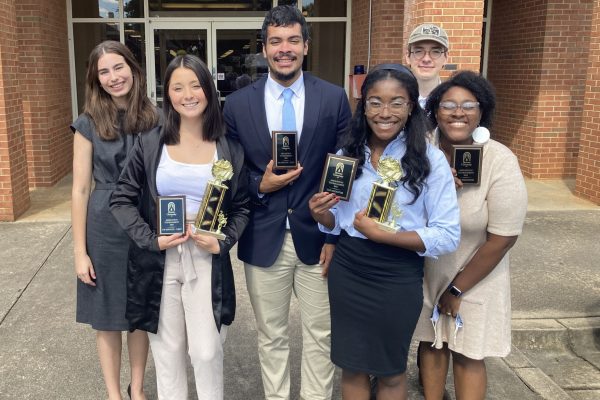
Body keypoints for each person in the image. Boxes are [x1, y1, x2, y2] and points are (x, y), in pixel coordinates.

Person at [308, 63, 460, 400]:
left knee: (391, 371)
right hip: (349, 269)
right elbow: (339, 219)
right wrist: (321, 215)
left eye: (396, 102)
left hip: (397, 273)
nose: (385, 112)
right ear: (363, 107)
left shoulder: (430, 161)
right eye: (375, 102)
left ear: (410, 108)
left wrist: (384, 236)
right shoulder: (348, 155)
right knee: (352, 366)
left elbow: (448, 235)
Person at [223, 5, 351, 400]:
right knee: (271, 334)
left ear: (305, 46)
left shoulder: (333, 99)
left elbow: (346, 167)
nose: (284, 49)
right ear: (264, 48)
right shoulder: (237, 105)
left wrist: (334, 231)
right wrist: (259, 184)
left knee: (321, 334)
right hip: (264, 236)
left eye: (293, 40)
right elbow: (228, 171)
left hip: (318, 237)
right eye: (275, 41)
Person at [110, 54, 250, 400]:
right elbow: (121, 199)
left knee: (206, 351)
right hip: (162, 257)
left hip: (205, 253)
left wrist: (224, 241)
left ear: (209, 90)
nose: (188, 94)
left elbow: (243, 206)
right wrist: (150, 239)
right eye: (178, 87)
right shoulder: (151, 143)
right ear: (167, 95)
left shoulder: (228, 148)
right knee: (168, 352)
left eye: (196, 85)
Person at [413, 71, 528, 400]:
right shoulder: (422, 152)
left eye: (468, 105)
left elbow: (504, 237)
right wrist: (431, 183)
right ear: (435, 111)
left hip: (477, 274)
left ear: (482, 111)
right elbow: (399, 208)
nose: (457, 112)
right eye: (448, 104)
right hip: (428, 271)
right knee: (431, 345)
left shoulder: (499, 160)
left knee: (467, 354)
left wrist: (457, 287)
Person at [71, 40, 159, 400]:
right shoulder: (88, 122)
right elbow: (79, 190)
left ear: (133, 68)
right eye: (103, 71)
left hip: (146, 220)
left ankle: (136, 389)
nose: (113, 77)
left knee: (140, 311)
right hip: (105, 225)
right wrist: (80, 252)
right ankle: (114, 394)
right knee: (107, 315)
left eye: (118, 67)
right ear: (95, 78)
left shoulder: (157, 117)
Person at [405, 23, 450, 109]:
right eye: (418, 51)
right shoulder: (395, 99)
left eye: (435, 52)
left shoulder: (453, 101)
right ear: (407, 56)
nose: (426, 59)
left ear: (446, 58)